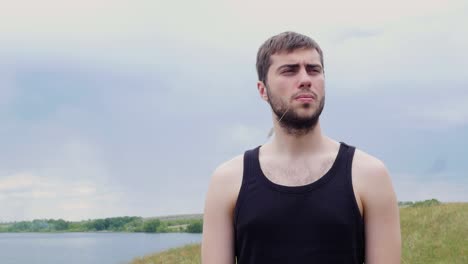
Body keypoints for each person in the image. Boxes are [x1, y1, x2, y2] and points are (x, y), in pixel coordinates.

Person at [201, 31, 401, 264]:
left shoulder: (370, 175)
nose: (305, 79)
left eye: (314, 70)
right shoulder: (227, 180)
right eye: (289, 70)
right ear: (262, 90)